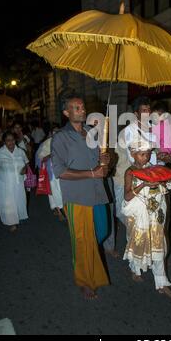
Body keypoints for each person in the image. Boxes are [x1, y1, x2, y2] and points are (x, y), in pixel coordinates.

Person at [51, 95, 110, 300]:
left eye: (82, 106)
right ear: (66, 113)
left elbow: (101, 167)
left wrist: (106, 161)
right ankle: (85, 281)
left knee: (102, 231)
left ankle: (90, 267)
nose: (81, 110)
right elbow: (59, 171)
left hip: (97, 193)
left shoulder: (92, 134)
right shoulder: (60, 137)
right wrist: (92, 173)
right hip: (76, 197)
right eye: (75, 108)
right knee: (82, 240)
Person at [123, 140, 171, 299]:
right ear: (133, 154)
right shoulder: (130, 172)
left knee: (158, 247)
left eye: (148, 154)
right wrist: (143, 185)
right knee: (137, 242)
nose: (146, 157)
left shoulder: (154, 169)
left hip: (155, 215)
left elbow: (163, 189)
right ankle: (135, 268)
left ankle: (162, 283)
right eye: (142, 154)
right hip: (138, 215)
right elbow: (127, 196)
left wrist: (163, 182)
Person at [0, 131, 29, 232]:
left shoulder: (20, 151)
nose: (11, 142)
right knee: (8, 203)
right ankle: (12, 222)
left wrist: (25, 169)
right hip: (4, 183)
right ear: (4, 141)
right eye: (8, 140)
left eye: (12, 140)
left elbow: (26, 164)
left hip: (18, 182)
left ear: (15, 140)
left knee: (18, 201)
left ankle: (17, 218)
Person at [36, 125, 65, 222]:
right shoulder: (47, 143)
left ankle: (61, 210)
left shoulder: (64, 142)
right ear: (51, 133)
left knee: (61, 192)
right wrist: (50, 155)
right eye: (54, 132)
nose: (56, 134)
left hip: (63, 171)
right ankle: (60, 211)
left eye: (58, 131)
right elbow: (41, 158)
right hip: (52, 172)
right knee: (55, 193)